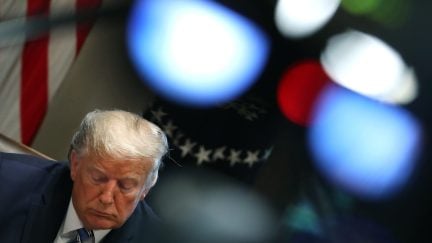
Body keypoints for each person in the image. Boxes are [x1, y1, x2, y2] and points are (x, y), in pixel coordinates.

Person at [0, 109, 168, 243]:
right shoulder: (6, 183)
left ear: (146, 188)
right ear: (75, 164)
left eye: (125, 186)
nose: (107, 198)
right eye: (98, 178)